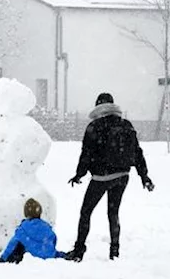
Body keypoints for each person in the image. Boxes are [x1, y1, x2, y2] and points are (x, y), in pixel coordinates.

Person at [63, 93, 153, 262]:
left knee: (86, 212)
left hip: (102, 177)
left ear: (97, 106)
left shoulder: (94, 126)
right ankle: (114, 251)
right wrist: (144, 176)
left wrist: (79, 174)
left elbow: (86, 154)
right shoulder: (126, 124)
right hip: (123, 176)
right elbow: (137, 152)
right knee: (113, 212)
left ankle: (79, 250)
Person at [0, 198, 66, 263]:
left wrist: (3, 259)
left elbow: (12, 246)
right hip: (49, 260)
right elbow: (52, 242)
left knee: (19, 246)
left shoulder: (22, 229)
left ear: (26, 213)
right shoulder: (47, 228)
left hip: (30, 261)